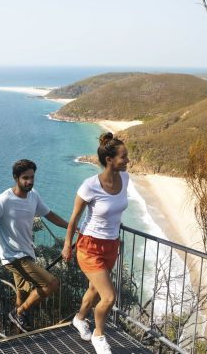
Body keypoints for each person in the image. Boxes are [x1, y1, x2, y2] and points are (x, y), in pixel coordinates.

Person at [0, 159, 69, 332]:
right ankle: (18, 312)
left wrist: (71, 227)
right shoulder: (3, 200)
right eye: (25, 178)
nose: (30, 182)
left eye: (32, 177)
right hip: (13, 257)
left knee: (22, 295)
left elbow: (49, 215)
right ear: (15, 178)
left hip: (27, 253)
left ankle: (13, 334)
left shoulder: (33, 195)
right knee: (51, 284)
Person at [62, 132, 130, 354]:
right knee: (109, 297)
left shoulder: (126, 179)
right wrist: (67, 245)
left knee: (93, 288)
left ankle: (80, 319)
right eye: (123, 157)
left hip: (111, 245)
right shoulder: (90, 185)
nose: (127, 160)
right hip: (89, 246)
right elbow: (74, 219)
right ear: (109, 160)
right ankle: (99, 335)